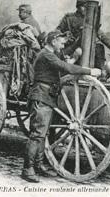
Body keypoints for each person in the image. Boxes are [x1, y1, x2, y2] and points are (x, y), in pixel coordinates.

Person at [21, 30, 101, 183]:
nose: (63, 43)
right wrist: (90, 71)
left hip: (47, 96)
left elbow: (65, 64)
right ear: (53, 41)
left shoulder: (51, 54)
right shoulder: (46, 55)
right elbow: (66, 68)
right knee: (37, 134)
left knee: (42, 134)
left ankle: (38, 165)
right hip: (41, 96)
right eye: (61, 41)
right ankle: (27, 169)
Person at [57, 0, 110, 68]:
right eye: (83, 6)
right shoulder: (68, 18)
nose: (85, 9)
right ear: (78, 7)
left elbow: (99, 33)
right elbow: (57, 32)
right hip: (72, 48)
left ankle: (100, 72)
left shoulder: (90, 20)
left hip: (86, 47)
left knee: (99, 47)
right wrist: (65, 36)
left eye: (87, 7)